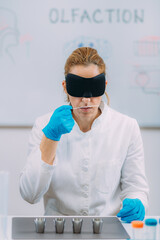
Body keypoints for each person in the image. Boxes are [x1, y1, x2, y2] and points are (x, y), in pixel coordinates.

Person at [20, 47, 149, 222]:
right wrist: (50, 138)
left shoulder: (126, 127)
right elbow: (30, 194)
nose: (86, 99)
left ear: (104, 86)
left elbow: (136, 187)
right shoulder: (44, 125)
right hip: (58, 231)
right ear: (65, 87)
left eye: (94, 88)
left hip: (109, 230)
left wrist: (137, 201)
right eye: (78, 88)